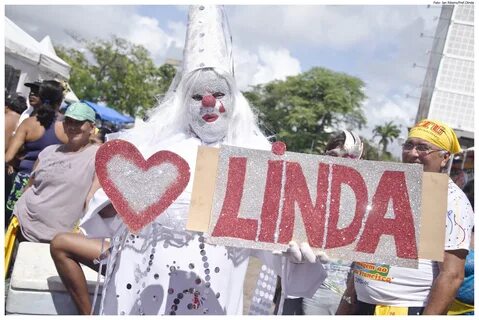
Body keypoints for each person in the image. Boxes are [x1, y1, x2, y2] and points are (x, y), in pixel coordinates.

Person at [77, 5, 325, 315]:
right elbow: (100, 218)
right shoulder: (150, 147)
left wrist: (297, 250)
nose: (209, 102)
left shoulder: (254, 163)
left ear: (233, 100)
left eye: (218, 93)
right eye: (198, 96)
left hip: (213, 302)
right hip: (138, 299)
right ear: (184, 102)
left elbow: (284, 260)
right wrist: (131, 199)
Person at [337, 119, 474, 315]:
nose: (412, 153)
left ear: (445, 157)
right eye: (408, 145)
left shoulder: (451, 200)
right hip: (362, 306)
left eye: (423, 148)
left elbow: (451, 275)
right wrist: (346, 305)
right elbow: (364, 258)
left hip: (405, 309)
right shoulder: (388, 187)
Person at [13, 102, 100, 243]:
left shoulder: (98, 156)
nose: (72, 127)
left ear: (91, 128)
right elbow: (30, 185)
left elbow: (92, 200)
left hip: (58, 241)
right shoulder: (48, 151)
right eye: (68, 121)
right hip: (22, 226)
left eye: (79, 122)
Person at [301, 130, 363, 315]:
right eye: (333, 156)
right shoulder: (308, 192)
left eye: (348, 158)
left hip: (346, 293)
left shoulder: (366, 202)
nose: (339, 163)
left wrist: (350, 294)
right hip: (312, 290)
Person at [5, 80, 68, 222]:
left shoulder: (28, 123)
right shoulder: (66, 129)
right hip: (50, 186)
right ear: (60, 102)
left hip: (23, 181)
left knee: (13, 224)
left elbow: (8, 157)